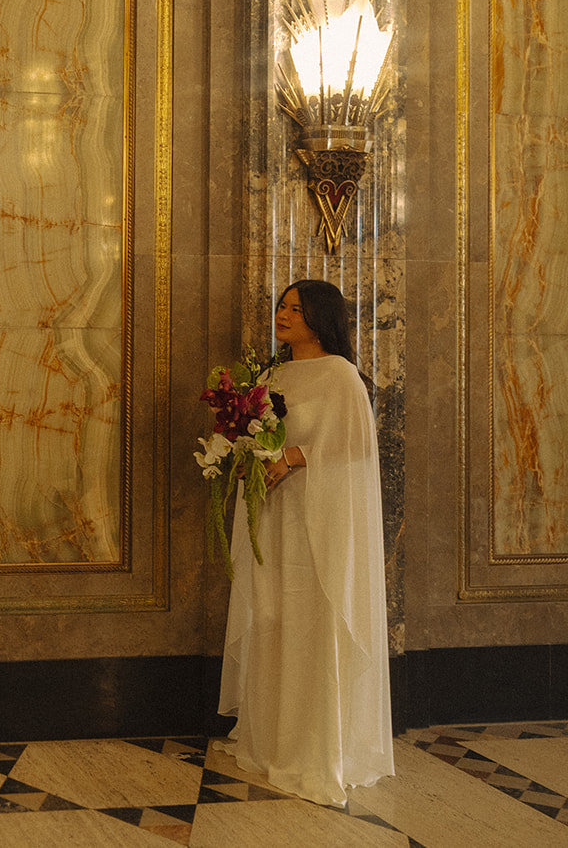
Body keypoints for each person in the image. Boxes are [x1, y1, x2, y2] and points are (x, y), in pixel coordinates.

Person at [215, 278, 394, 807]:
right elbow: (256, 434)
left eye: (296, 308)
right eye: (282, 305)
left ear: (320, 318)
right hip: (275, 518)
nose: (283, 314)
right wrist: (245, 455)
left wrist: (293, 458)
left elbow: (357, 446)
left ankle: (316, 747)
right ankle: (273, 741)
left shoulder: (341, 376)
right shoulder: (270, 375)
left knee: (312, 621)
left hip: (319, 523)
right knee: (273, 616)